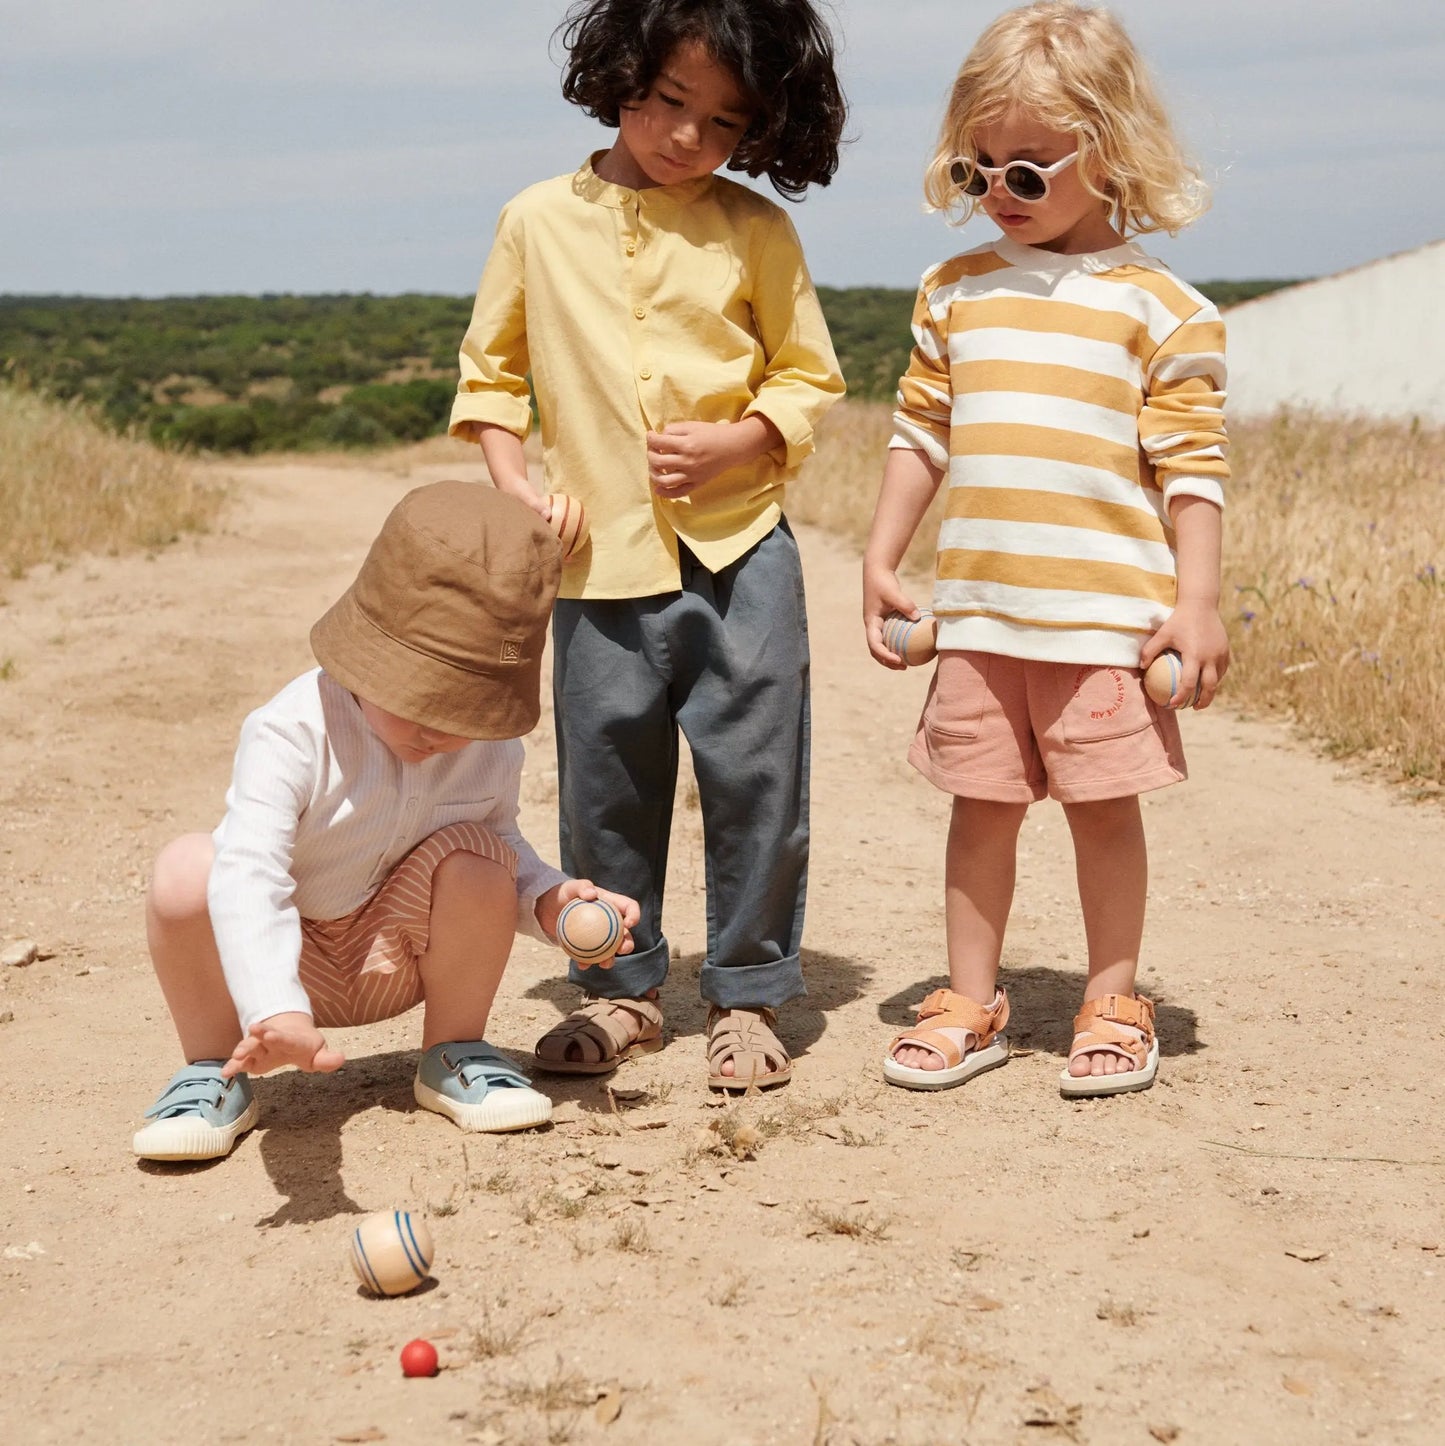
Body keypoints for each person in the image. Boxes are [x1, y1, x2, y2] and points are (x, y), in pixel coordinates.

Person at [449, 0, 847, 1091]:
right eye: (670, 101)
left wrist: (741, 440)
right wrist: (518, 489)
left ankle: (748, 996)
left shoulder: (756, 230)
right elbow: (489, 383)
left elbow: (808, 375)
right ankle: (622, 994)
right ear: (619, 72)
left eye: (723, 123)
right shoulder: (534, 219)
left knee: (756, 780)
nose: (686, 136)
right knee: (605, 788)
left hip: (741, 551)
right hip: (593, 562)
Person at [863, 1, 1228, 1098]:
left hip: (1104, 626)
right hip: (979, 620)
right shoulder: (955, 293)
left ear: (1107, 152)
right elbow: (916, 431)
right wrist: (882, 555)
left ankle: (1112, 995)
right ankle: (970, 998)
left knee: (1101, 815)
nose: (995, 196)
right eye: (976, 172)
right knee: (979, 812)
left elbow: (1191, 473)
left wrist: (1196, 603)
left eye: (1025, 173)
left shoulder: (1161, 311)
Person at [132, 482, 639, 1162]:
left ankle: (453, 1052)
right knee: (186, 870)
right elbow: (250, 872)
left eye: (463, 712)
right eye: (417, 701)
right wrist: (275, 1005)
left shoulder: (489, 748)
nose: (436, 731)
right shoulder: (291, 730)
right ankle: (212, 1072)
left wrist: (548, 901)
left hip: (395, 955)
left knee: (481, 855)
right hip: (282, 961)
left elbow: (504, 844)